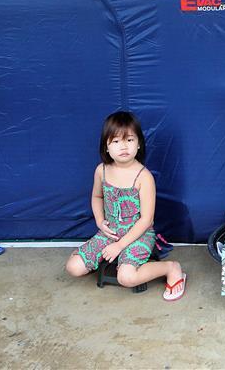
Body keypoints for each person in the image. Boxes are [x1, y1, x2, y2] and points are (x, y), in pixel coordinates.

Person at [65, 111, 186, 301]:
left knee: (126, 277)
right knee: (73, 267)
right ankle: (95, 256)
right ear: (106, 146)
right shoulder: (102, 171)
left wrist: (120, 245)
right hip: (110, 232)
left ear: (139, 144)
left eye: (129, 140)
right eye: (116, 141)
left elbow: (147, 220)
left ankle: (171, 268)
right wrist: (99, 221)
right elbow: (97, 196)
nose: (123, 146)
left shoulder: (143, 177)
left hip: (138, 234)